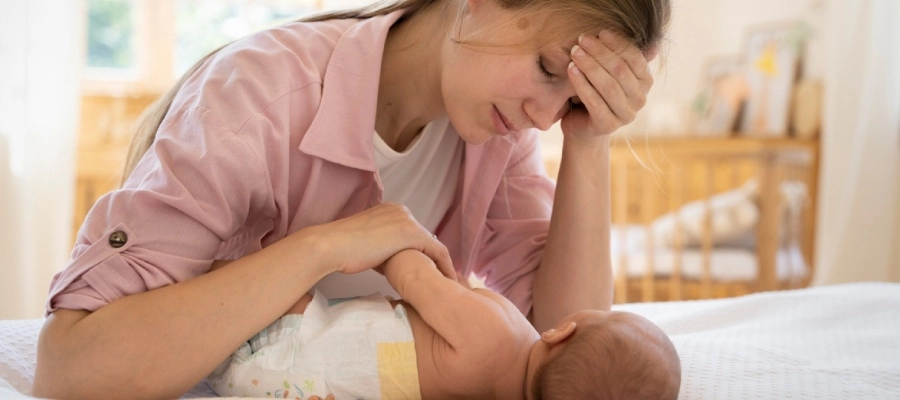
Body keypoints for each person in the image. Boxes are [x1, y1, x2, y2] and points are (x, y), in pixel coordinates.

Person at [33, 0, 671, 398]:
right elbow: (71, 368)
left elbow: (570, 357)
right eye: (550, 71)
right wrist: (328, 246)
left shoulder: (498, 133)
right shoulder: (256, 94)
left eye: (573, 100)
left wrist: (590, 141)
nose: (544, 115)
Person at [209, 250, 681, 399]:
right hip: (294, 388)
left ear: (562, 331)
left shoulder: (501, 330)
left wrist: (402, 241)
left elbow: (415, 279)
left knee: (261, 265)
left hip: (289, 342)